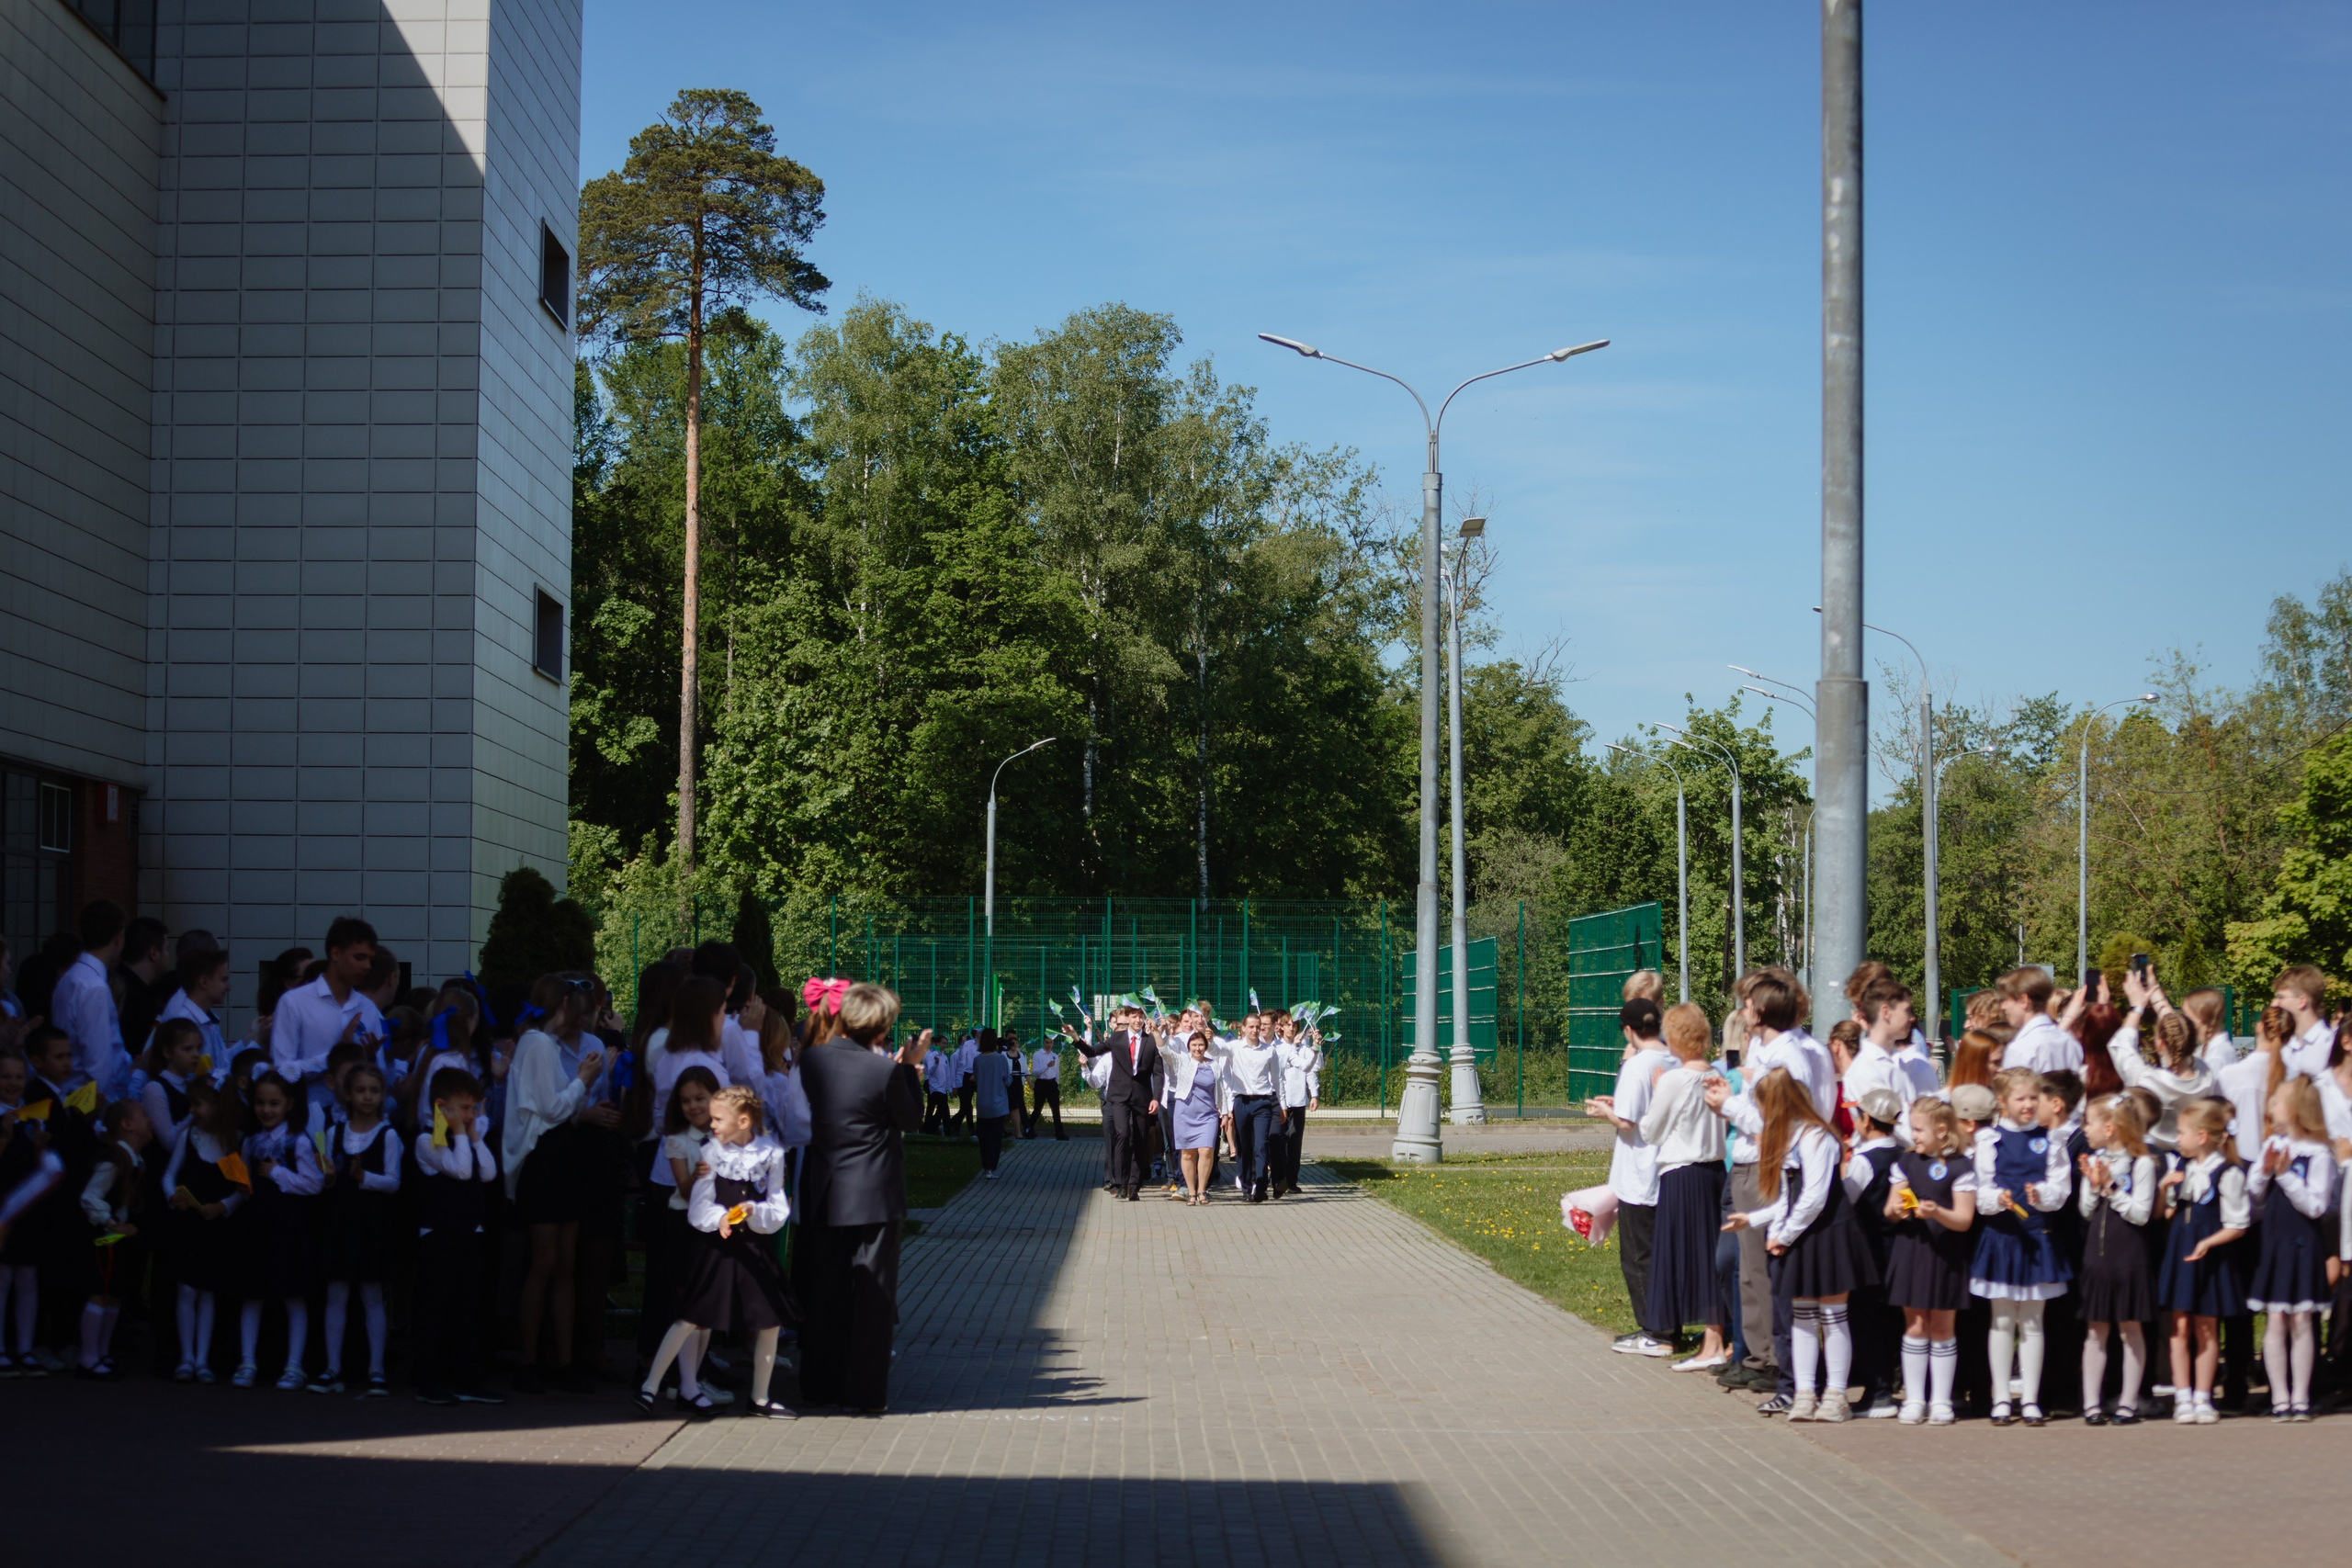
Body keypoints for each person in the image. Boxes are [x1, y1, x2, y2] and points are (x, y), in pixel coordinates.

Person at [1705, 967, 1833, 1413]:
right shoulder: (1774, 1048)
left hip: (1777, 1166)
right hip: (1762, 1163)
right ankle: (1770, 1364)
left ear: (1760, 1011)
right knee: (1750, 1268)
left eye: (1746, 1004)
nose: (1741, 1011)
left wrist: (1730, 1104)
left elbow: (1780, 1123)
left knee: (1769, 1274)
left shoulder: (1791, 1057)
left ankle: (1781, 1370)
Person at [793, 983, 922, 1415]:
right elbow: (910, 1119)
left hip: (826, 1187)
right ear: (883, 1027)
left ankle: (818, 1384)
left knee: (826, 1289)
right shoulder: (882, 1071)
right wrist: (909, 1070)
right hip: (875, 1193)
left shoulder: (810, 1059)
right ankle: (865, 1393)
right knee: (874, 1296)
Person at [1722, 1066, 1877, 1422]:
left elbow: (1815, 1197)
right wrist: (1756, 1220)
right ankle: (1805, 1393)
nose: (1761, 1116)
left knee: (1833, 1317)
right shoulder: (1786, 1138)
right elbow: (1788, 1198)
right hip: (1802, 1232)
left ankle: (1836, 1395)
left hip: (1829, 1232)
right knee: (1804, 1317)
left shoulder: (1816, 1137)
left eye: (1764, 1108)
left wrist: (1782, 1235)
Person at [638, 1085, 796, 1419]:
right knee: (691, 1317)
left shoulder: (772, 1155)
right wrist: (720, 1217)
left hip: (754, 1248)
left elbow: (778, 1205)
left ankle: (760, 1397)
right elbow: (699, 1204)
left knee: (767, 1321)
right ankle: (652, 1387)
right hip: (717, 1248)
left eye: (718, 1119)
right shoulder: (710, 1153)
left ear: (742, 1121)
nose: (711, 1124)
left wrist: (755, 1210)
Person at [504, 976, 606, 1393]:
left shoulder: (540, 1044)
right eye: (579, 1012)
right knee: (545, 1262)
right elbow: (551, 1108)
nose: (583, 1023)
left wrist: (582, 1084)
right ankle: (531, 1360)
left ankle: (562, 1361)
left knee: (564, 1262)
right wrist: (582, 1079)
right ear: (564, 1005)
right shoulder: (538, 1045)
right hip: (544, 1159)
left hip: (562, 1156)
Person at [1969, 1066, 2073, 1426]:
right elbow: (1979, 1189)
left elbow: (2060, 1191)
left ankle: (2029, 1398)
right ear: (2002, 1102)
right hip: (2001, 1236)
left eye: (2033, 1097)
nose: (2028, 1105)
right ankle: (2000, 1398)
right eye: (2020, 1098)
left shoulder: (2051, 1140)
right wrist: (1995, 1198)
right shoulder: (1988, 1140)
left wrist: (2040, 1194)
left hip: (2037, 1236)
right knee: (2000, 1319)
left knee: (2032, 1320)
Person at [1639, 1001, 1727, 1372]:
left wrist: (1659, 1089)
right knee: (1711, 1256)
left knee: (1680, 1255)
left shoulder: (1675, 1079)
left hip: (1681, 1173)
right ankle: (1715, 1336)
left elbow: (1650, 1130)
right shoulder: (1715, 1076)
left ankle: (1696, 1339)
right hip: (1713, 1173)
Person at [412, 1066, 503, 1406]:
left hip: (470, 1234)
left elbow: (489, 1173)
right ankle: (429, 1380)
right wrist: (463, 1134)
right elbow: (462, 1171)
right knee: (436, 1309)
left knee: (467, 1310)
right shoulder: (427, 1141)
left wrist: (474, 1135)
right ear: (441, 1106)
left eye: (474, 1109)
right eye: (464, 1109)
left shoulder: (467, 1136)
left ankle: (467, 1378)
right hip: (440, 1235)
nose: (471, 1115)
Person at [1883, 1097, 1978, 1425]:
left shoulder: (1961, 1166)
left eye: (1919, 1129)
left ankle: (1941, 1401)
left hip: (1946, 1254)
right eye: (1912, 1129)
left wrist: (1937, 1211)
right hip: (1912, 1249)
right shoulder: (1906, 1163)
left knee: (1941, 1326)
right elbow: (1890, 1209)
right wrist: (1898, 1210)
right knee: (1915, 1324)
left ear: (1941, 1131)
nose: (1914, 1135)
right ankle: (1914, 1399)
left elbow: (1964, 1219)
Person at [2245, 1077, 2333, 1422]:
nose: (2271, 1108)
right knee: (2275, 1319)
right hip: (2275, 1242)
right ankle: (2279, 1396)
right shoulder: (2274, 1144)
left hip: (2303, 1244)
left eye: (2278, 1102)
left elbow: (2316, 1206)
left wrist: (2285, 1176)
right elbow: (2254, 1193)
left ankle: (2300, 1397)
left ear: (2296, 1111)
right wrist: (2265, 1171)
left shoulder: (2319, 1154)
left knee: (2301, 1320)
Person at [1589, 997, 1673, 1356]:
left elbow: (1627, 1123)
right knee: (1663, 1255)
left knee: (1639, 1257)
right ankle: (1670, 1324)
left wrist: (1605, 1111)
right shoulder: (1674, 1058)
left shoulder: (1638, 1066)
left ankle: (1655, 1331)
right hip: (1669, 1168)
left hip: (1640, 1172)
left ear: (1629, 1030)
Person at [234, 1072, 322, 1390]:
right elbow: (245, 1184)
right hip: (258, 1225)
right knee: (253, 1294)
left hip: (288, 1227)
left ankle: (294, 1365)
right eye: (260, 1103)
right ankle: (247, 1361)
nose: (266, 1110)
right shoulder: (250, 1141)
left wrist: (278, 1173)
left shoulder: (297, 1140)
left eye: (274, 1103)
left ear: (288, 1104)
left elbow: (314, 1184)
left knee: (293, 1295)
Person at [2075, 1093, 2158, 1425]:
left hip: (2130, 1256)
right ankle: (2092, 1403)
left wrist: (2111, 1187)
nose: (2085, 1129)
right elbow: (2084, 1211)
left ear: (2109, 1128)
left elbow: (2140, 1213)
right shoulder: (2093, 1160)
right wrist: (2094, 1187)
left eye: (2089, 1122)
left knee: (2130, 1328)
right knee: (2096, 1329)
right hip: (2098, 1255)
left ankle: (2128, 1402)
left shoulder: (2143, 1163)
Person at [319, 1062, 401, 1395]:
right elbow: (326, 1177)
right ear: (348, 1095)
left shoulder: (388, 1134)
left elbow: (394, 1182)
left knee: (371, 1295)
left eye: (374, 1091)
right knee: (336, 1293)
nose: (367, 1097)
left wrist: (363, 1177)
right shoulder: (333, 1132)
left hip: (371, 1223)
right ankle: (332, 1367)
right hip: (340, 1221)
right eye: (361, 1090)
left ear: (382, 1095)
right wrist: (327, 1179)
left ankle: (376, 1370)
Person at [639, 1066, 718, 1394]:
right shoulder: (676, 1140)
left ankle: (696, 1378)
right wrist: (700, 1174)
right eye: (686, 1101)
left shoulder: (725, 1135)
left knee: (709, 1303)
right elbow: (684, 1191)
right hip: (684, 1225)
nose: (694, 1106)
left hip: (715, 1224)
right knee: (686, 1301)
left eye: (700, 1098)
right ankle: (676, 1381)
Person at [74, 1098, 150, 1378]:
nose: (150, 1120)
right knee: (101, 1291)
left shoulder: (135, 1159)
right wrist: (111, 1223)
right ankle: (88, 1357)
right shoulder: (113, 1159)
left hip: (120, 1240)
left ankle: (103, 1354)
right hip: (104, 1239)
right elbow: (90, 1196)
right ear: (127, 1125)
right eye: (144, 1114)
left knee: (115, 1293)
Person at [1078, 1004, 1164, 1201]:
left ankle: (1134, 1185)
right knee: (1123, 1135)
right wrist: (1076, 1038)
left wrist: (1156, 1098)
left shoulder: (1151, 1041)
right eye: (1133, 1017)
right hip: (1119, 1096)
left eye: (1140, 1017)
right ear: (1127, 1018)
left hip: (1142, 1097)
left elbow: (1158, 1073)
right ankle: (1120, 1181)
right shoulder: (1117, 1038)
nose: (1137, 1021)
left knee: (1139, 1140)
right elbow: (1091, 1051)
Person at [52, 900, 129, 1098]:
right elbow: (99, 1064)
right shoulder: (95, 987)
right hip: (89, 1105)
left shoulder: (69, 977)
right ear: (118, 939)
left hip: (70, 1094)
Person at [1165, 1026, 1227, 1206]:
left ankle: (1202, 1190)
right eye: (1194, 1045)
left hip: (1208, 1115)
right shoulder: (1182, 1061)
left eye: (1201, 1045)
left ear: (1206, 1046)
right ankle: (1191, 1192)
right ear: (1188, 1046)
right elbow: (1163, 1051)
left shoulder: (1214, 1065)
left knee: (1207, 1151)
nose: (1197, 1048)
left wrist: (1224, 1113)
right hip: (1185, 1113)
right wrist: (1156, 1032)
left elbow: (1221, 1090)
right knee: (1187, 1154)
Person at [1996, 968, 2081, 1075]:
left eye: (2006, 1000)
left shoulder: (2020, 1049)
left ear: (2024, 1001)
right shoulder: (2069, 1041)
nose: (2003, 1006)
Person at [1272, 1012, 1319, 1198]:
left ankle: (1291, 1181)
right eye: (1288, 1025)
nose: (1292, 1028)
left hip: (1298, 1100)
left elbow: (1311, 1070)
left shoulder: (1303, 1049)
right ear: (1281, 1027)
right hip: (1279, 1101)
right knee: (1278, 1141)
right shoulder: (1276, 1047)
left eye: (1294, 1025)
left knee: (1295, 1142)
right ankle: (1277, 1178)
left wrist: (1314, 1094)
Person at [2272, 964, 2336, 1080]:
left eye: (2281, 997)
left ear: (2301, 1001)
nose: (2275, 1003)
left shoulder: (2329, 1047)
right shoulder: (2287, 1049)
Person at [972, 1032, 1014, 1179]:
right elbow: (1008, 1080)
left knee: (983, 1139)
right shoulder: (1000, 1059)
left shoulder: (977, 1060)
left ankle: (985, 1167)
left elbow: (976, 1079)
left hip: (982, 1104)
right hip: (998, 1104)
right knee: (995, 1139)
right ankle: (992, 1168)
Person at [1027, 1033, 1065, 1140]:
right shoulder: (1037, 1055)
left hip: (1052, 1084)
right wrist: (1047, 1066)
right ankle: (1028, 1129)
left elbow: (1057, 1072)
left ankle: (1059, 1133)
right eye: (1047, 1042)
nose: (1049, 1045)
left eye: (1051, 1043)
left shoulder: (1055, 1056)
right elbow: (1035, 1073)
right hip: (1041, 1084)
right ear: (1043, 1043)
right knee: (1038, 1109)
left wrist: (1056, 1083)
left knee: (1056, 1109)